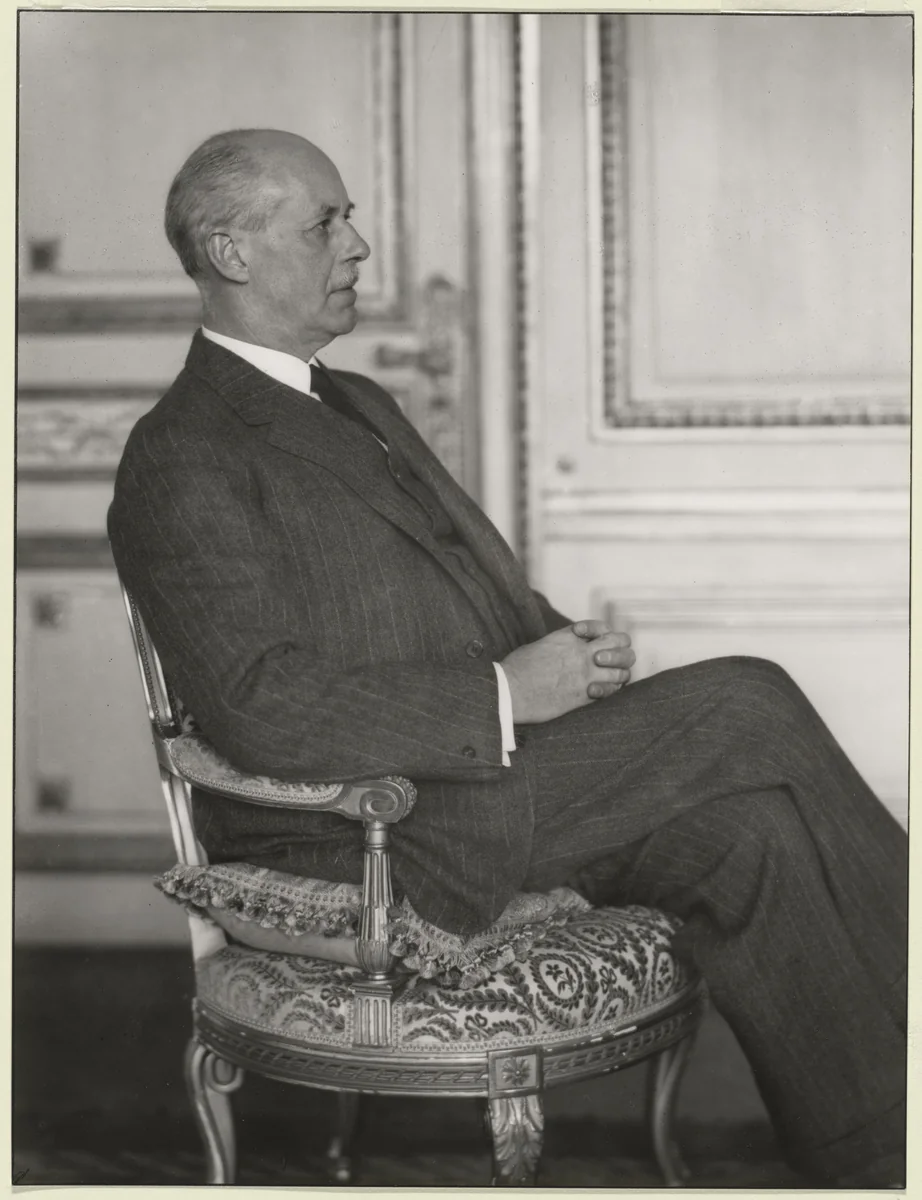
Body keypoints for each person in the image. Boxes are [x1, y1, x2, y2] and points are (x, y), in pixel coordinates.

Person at [108, 129, 907, 1187]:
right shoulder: (181, 453)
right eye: (326, 224)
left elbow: (475, 591)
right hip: (363, 830)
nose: (358, 247)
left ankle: (879, 1164)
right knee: (748, 699)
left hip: (482, 792)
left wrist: (557, 644)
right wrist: (504, 693)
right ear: (233, 254)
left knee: (748, 832)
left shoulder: (357, 402)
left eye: (347, 218)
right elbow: (258, 705)